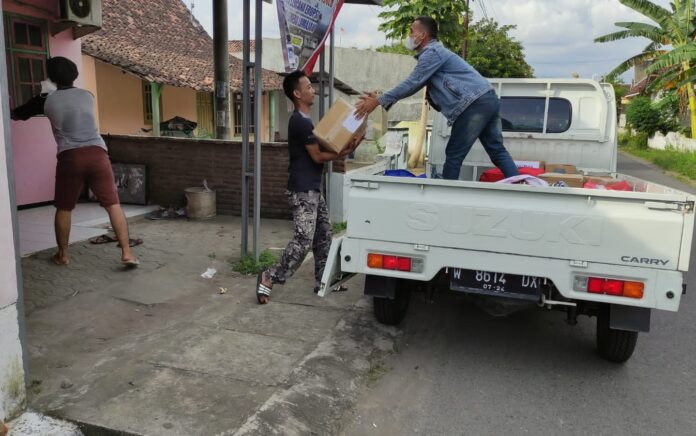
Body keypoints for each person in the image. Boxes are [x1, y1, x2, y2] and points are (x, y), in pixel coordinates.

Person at [355, 16, 519, 181]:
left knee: (454, 154)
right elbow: (412, 86)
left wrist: (378, 101)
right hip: (488, 98)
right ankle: (521, 188)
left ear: (423, 35)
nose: (409, 36)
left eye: (412, 31)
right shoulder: (436, 54)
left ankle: (445, 197)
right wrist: (380, 98)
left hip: (474, 104)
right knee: (496, 150)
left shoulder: (432, 53)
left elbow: (411, 83)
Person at [12, 57, 139, 267]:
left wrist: (40, 98)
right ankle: (127, 253)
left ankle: (62, 255)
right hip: (98, 154)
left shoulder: (45, 100)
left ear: (51, 77)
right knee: (113, 204)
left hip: (71, 157)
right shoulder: (87, 95)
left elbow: (17, 115)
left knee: (64, 207)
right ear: (74, 76)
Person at [255, 70, 359, 304]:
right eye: (308, 87)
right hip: (303, 191)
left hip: (312, 189)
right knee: (303, 240)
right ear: (297, 93)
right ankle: (269, 276)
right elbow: (318, 157)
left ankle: (323, 278)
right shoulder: (299, 122)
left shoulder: (307, 122)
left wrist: (345, 148)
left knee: (323, 234)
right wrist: (343, 151)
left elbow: (324, 150)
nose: (313, 90)